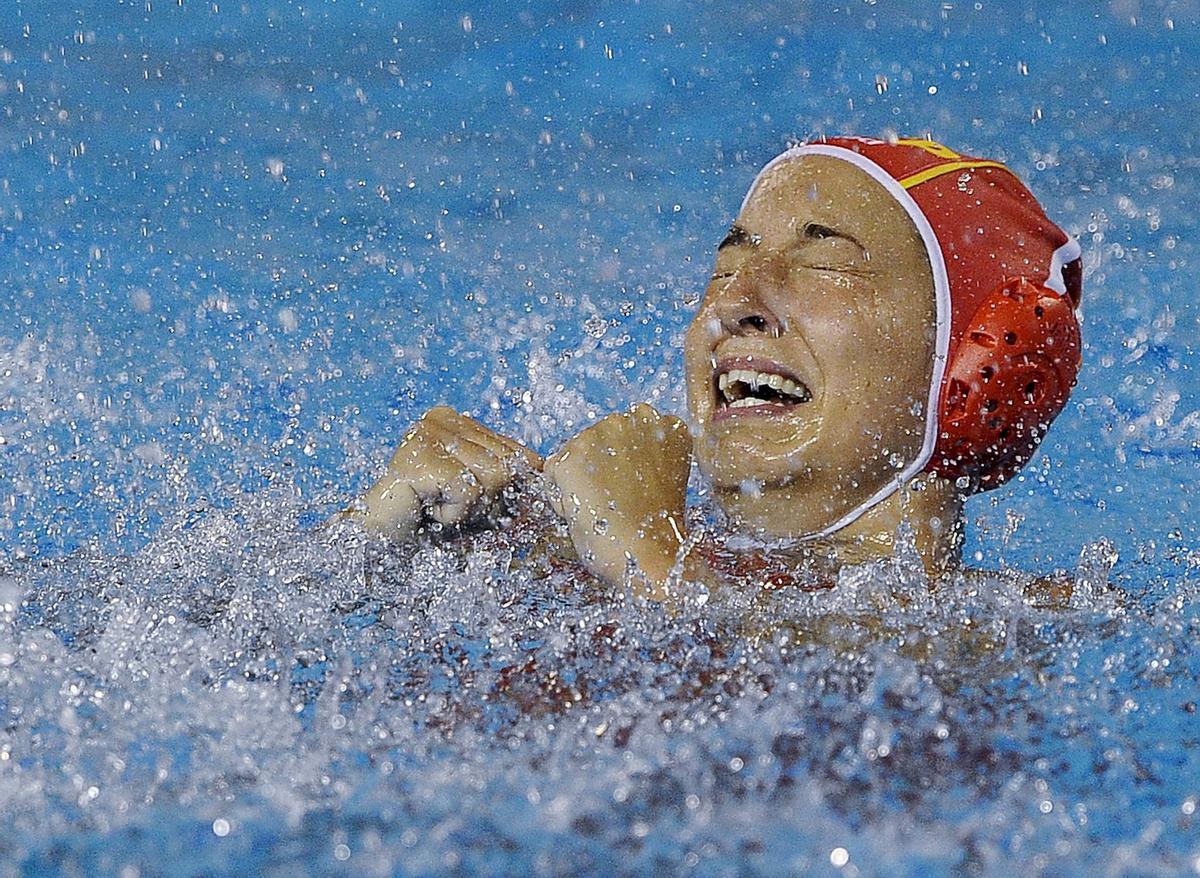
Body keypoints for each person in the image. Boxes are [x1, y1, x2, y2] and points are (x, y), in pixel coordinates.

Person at [344, 135, 1083, 600]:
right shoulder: (585, 547)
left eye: (823, 259)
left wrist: (652, 561)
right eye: (726, 267)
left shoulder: (1022, 631)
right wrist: (370, 545)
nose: (734, 304)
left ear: (977, 359)